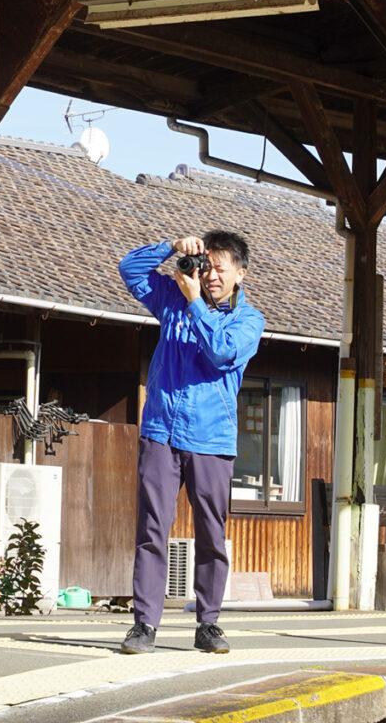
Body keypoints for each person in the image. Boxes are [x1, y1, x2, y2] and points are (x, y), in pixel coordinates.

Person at [117, 230, 264, 655]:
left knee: (210, 536)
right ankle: (144, 624)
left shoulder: (248, 320)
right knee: (151, 531)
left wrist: (196, 302)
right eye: (207, 266)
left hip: (211, 439)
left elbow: (220, 353)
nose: (211, 275)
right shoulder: (173, 302)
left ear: (240, 273)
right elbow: (130, 269)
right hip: (161, 431)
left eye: (220, 268)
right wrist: (172, 248)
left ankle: (209, 623)